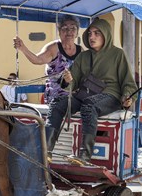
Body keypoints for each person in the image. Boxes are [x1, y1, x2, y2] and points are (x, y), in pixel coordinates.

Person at [45, 18, 136, 163]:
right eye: (90, 34)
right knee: (57, 103)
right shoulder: (83, 56)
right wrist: (68, 80)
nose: (92, 37)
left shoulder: (118, 54)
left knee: (89, 106)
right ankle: (46, 151)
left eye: (97, 33)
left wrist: (127, 97)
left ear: (106, 34)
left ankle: (84, 156)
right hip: (85, 93)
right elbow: (72, 81)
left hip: (110, 95)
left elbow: (128, 83)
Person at [13, 15, 82, 104]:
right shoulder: (53, 48)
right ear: (59, 32)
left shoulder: (80, 51)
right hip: (56, 100)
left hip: (76, 100)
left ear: (77, 33)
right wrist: (23, 48)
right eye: (64, 28)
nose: (69, 32)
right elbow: (37, 60)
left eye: (73, 28)